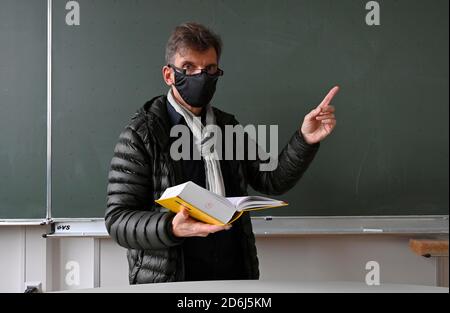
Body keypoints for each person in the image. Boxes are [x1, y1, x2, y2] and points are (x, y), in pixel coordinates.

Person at [105, 22, 338, 284]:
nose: (200, 76)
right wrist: (170, 227)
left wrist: (305, 138)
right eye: (189, 68)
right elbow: (118, 220)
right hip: (172, 279)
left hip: (233, 272)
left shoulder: (227, 127)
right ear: (169, 75)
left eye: (209, 69)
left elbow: (272, 179)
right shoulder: (142, 133)